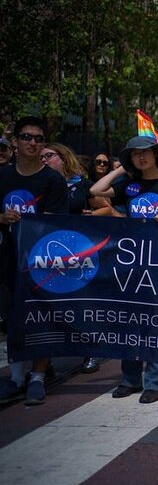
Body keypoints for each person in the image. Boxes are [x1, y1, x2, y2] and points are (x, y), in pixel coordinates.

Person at [90, 135, 158, 403]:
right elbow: (96, 191)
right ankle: (130, 379)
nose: (141, 158)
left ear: (156, 154)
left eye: (145, 153)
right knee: (129, 322)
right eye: (134, 154)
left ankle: (154, 382)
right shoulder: (128, 184)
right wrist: (122, 169)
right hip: (130, 262)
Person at [0, 116, 69, 405]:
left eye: (38, 139)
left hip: (42, 261)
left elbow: (59, 223)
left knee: (42, 316)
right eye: (26, 137)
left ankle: (38, 377)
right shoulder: (2, 176)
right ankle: (16, 377)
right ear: (15, 141)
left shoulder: (53, 180)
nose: (32, 143)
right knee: (12, 316)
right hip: (6, 257)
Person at [40, 142, 105, 374]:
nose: (44, 159)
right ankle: (43, 361)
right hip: (46, 251)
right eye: (41, 156)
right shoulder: (42, 183)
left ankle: (91, 350)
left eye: (49, 155)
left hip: (79, 251)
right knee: (47, 304)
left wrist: (91, 214)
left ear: (64, 157)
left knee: (80, 302)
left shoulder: (82, 185)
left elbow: (106, 208)